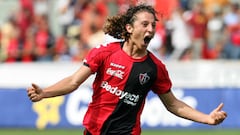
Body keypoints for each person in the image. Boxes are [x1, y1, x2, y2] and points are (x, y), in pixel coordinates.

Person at [27, 4, 227, 135]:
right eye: (145, 24)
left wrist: (206, 118)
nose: (150, 29)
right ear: (130, 28)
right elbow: (73, 81)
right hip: (93, 131)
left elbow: (173, 104)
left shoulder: (155, 68)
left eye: (153, 25)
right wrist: (45, 93)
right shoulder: (104, 53)